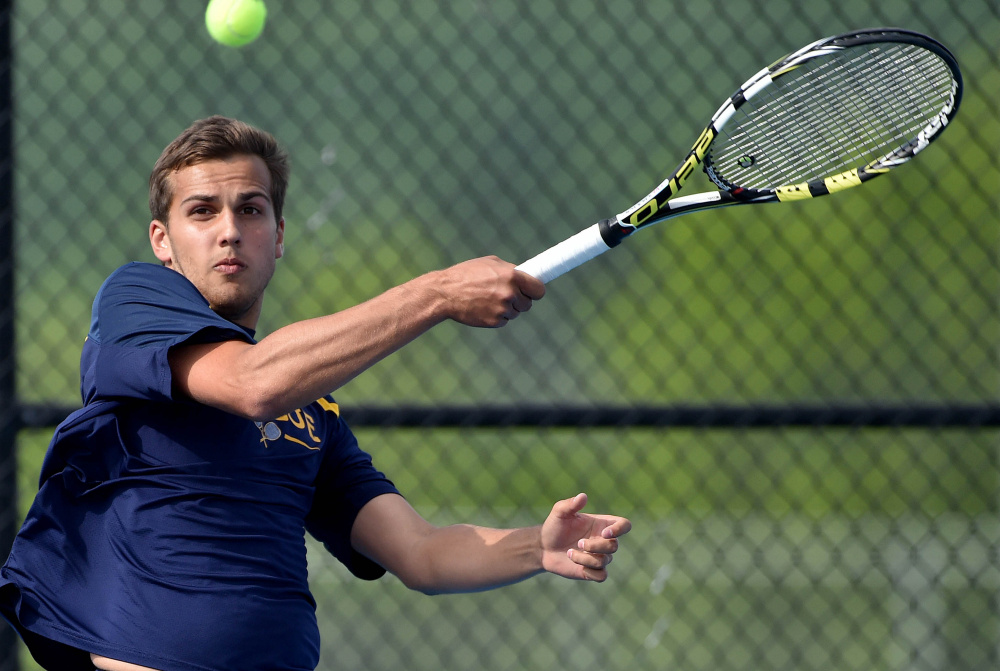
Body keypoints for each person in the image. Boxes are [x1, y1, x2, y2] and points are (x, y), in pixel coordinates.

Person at [0, 116, 632, 671]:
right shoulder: (134, 304)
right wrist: (438, 292)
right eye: (202, 211)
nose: (229, 230)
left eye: (251, 209)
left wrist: (536, 547)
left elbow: (421, 553)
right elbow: (253, 383)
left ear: (277, 235)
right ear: (161, 241)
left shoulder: (311, 415)